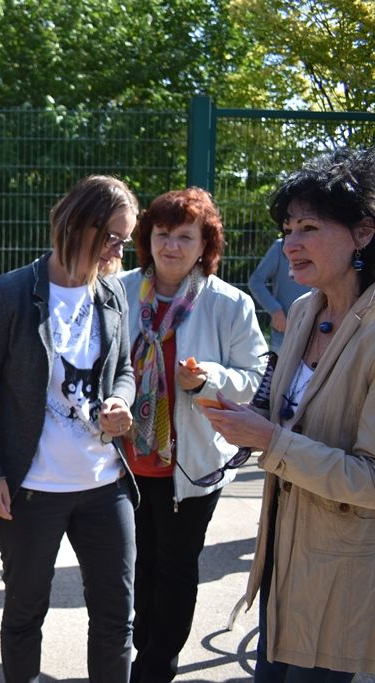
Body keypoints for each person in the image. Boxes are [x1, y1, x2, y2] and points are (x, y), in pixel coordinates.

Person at [204, 146, 375, 682]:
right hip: (282, 570)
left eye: (308, 228)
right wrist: (239, 417)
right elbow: (286, 413)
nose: (289, 245)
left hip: (345, 586)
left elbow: (371, 479)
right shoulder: (304, 310)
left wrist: (271, 440)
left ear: (364, 233)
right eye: (286, 230)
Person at [0, 175, 139, 682]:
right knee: (25, 615)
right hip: (32, 491)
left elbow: (125, 369)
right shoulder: (11, 293)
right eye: (113, 237)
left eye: (125, 239)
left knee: (117, 617)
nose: (120, 250)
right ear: (78, 225)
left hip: (105, 485)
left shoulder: (112, 292)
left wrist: (121, 400)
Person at [117, 188, 268, 682]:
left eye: (186, 236)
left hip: (193, 465)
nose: (172, 246)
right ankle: (143, 651)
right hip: (125, 462)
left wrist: (208, 380)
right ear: (147, 238)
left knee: (177, 567)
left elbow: (256, 378)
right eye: (162, 234)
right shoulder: (118, 292)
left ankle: (156, 665)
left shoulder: (230, 303)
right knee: (139, 564)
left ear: (206, 245)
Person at [248, 237, 310, 352]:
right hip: (284, 337)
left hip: (317, 335)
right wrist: (275, 310)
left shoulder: (324, 247)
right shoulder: (280, 247)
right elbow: (255, 281)